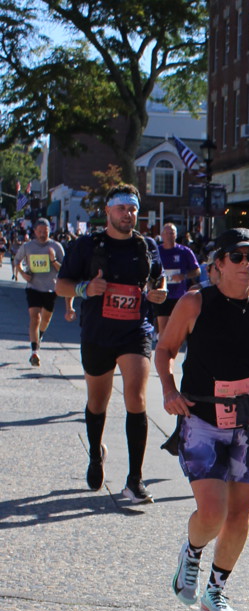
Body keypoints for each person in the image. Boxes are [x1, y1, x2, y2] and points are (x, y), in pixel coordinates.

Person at [155, 228, 249, 611]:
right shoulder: (195, 303)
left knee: (240, 514)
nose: (246, 264)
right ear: (218, 264)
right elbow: (165, 349)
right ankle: (192, 552)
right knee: (212, 513)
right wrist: (168, 390)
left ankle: (215, 590)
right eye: (237, 257)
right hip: (203, 419)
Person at [56, 184, 167, 502]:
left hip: (135, 330)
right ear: (108, 211)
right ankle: (95, 454)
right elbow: (61, 286)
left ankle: (135, 480)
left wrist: (159, 292)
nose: (127, 214)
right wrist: (85, 289)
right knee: (97, 401)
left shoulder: (146, 245)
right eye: (121, 208)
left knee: (136, 396)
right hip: (98, 332)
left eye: (132, 209)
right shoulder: (88, 246)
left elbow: (157, 278)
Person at [14, 217, 64, 367]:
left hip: (51, 288)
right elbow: (17, 261)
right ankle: (34, 351)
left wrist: (53, 260)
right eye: (40, 231)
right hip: (33, 287)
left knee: (46, 319)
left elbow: (64, 269)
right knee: (35, 318)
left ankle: (39, 336)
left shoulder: (56, 246)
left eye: (45, 231)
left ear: (50, 231)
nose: (42, 234)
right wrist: (23, 274)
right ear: (35, 231)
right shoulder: (28, 246)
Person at [156, 223, 200, 337]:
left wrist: (183, 276)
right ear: (162, 235)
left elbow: (197, 271)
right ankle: (163, 346)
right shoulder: (157, 252)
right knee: (163, 330)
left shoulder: (184, 251)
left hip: (179, 296)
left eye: (172, 233)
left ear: (176, 235)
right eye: (166, 233)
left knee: (178, 329)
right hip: (162, 295)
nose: (169, 236)